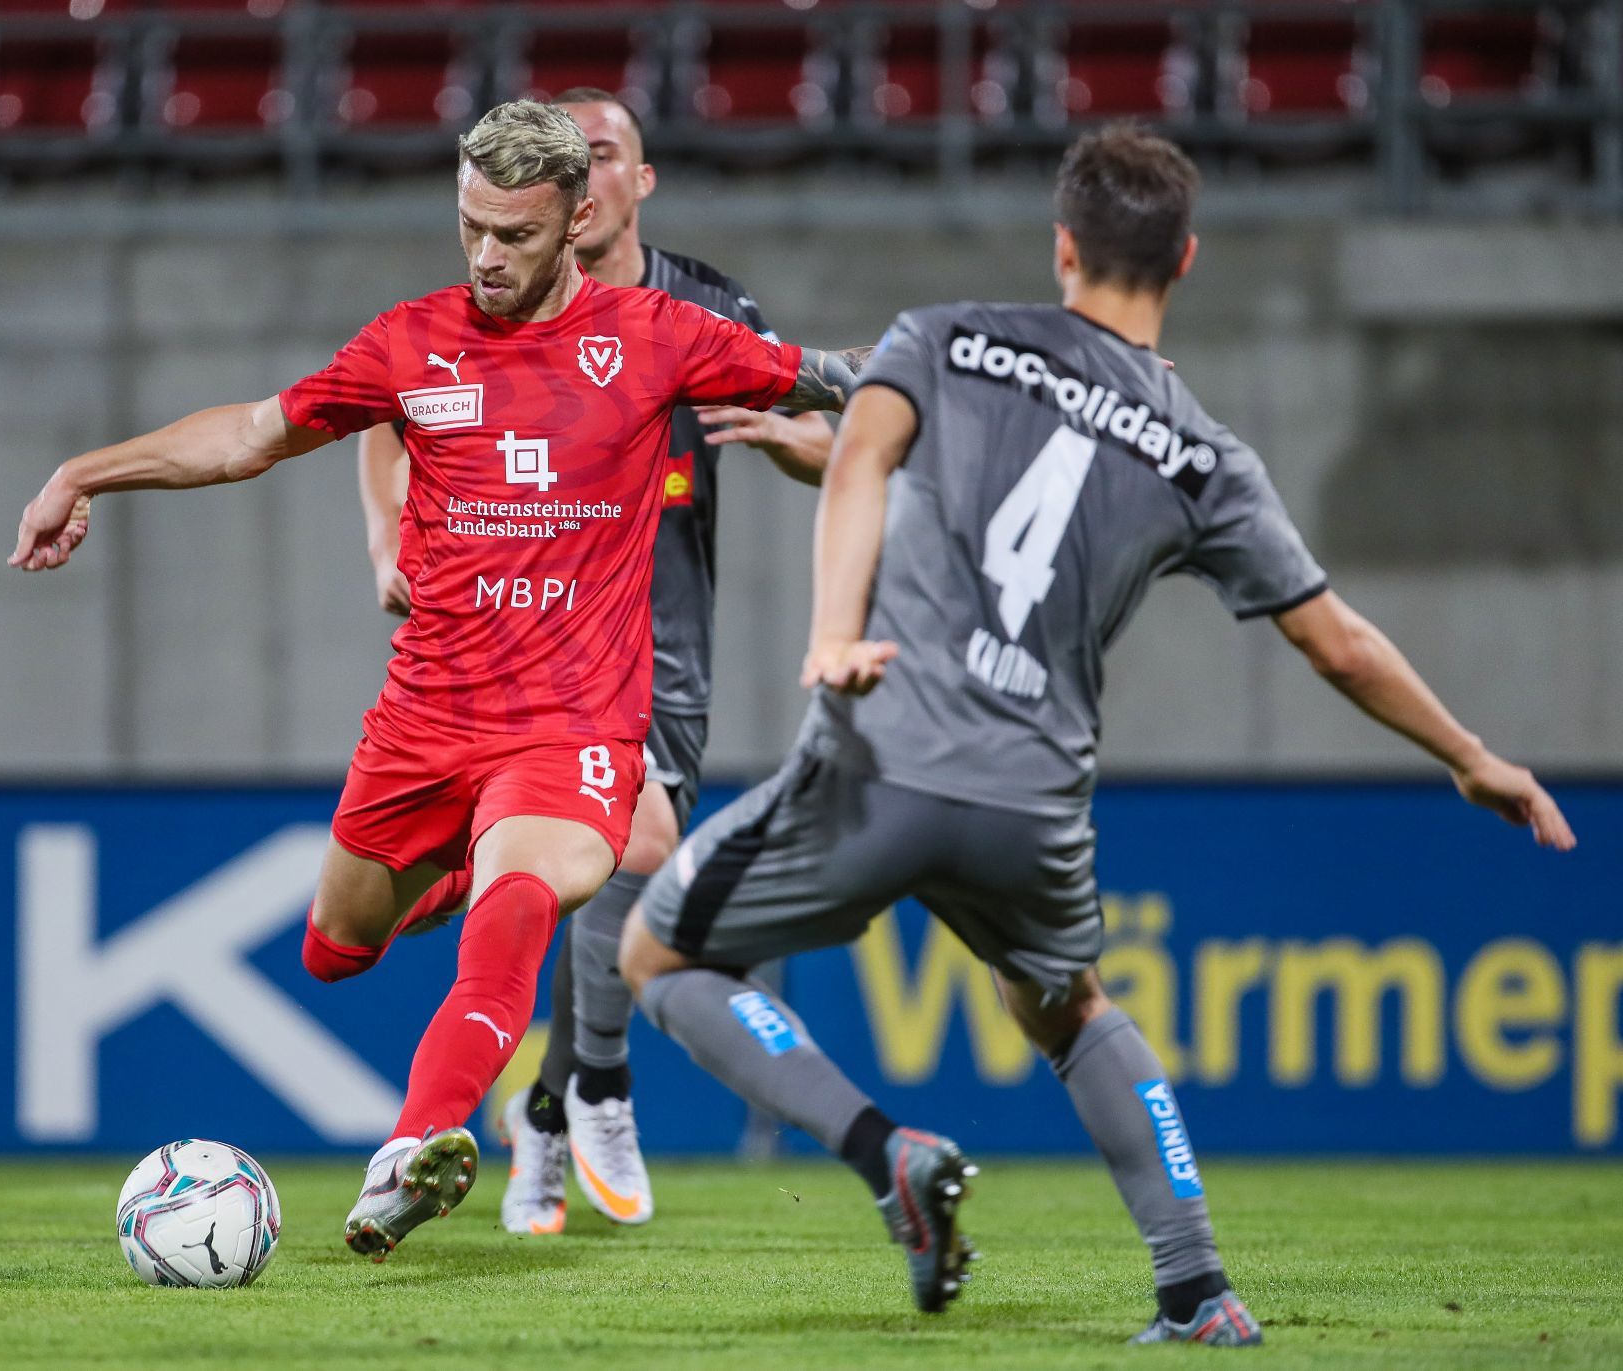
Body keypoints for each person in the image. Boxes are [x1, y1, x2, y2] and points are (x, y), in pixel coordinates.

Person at [617, 123, 1577, 1339]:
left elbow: (859, 452)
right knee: (1065, 1007)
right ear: (1185, 262)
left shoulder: (950, 338)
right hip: (1033, 801)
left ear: (1062, 246)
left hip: (887, 755)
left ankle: (887, 1152)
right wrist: (1472, 757)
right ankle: (1199, 1289)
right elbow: (1335, 639)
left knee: (660, 956)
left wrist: (832, 630)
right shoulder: (1204, 455)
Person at [8, 99, 868, 1262]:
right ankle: (460, 871)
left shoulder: (657, 335)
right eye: (471, 227)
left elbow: (840, 379)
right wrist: (84, 473)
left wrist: (1017, 368)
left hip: (573, 724)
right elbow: (250, 436)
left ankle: (407, 1154)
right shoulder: (414, 343)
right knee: (336, 945)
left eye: (514, 234)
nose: (487, 255)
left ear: (576, 220)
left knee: (522, 904)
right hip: (426, 719)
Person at [356, 87, 835, 1236]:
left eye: (611, 154)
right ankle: (584, 1097)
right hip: (520, 631)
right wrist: (391, 534)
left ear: (626, 183)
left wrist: (784, 435)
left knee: (620, 859)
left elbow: (831, 422)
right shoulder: (498, 303)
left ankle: (556, 1107)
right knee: (634, 846)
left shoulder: (701, 304)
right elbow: (388, 405)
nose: (596, 175)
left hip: (657, 629)